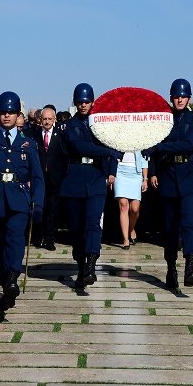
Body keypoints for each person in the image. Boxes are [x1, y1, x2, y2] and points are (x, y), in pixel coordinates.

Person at [0, 91, 45, 312]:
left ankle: (12, 276)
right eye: (3, 112)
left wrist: (38, 204)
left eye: (11, 113)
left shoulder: (28, 145)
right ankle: (6, 284)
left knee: (15, 239)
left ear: (18, 115)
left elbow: (38, 178)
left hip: (19, 198)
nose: (7, 116)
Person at [60, 83, 122, 290]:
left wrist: (111, 169)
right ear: (75, 103)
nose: (84, 105)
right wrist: (106, 152)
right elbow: (78, 146)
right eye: (80, 101)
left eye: (87, 101)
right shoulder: (69, 125)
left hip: (96, 179)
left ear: (93, 102)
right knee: (77, 229)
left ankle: (91, 265)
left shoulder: (101, 123)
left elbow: (113, 143)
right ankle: (80, 266)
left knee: (93, 224)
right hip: (75, 178)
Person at [145, 78, 193, 290]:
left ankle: (190, 265)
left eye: (183, 96)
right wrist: (152, 171)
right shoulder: (163, 119)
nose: (179, 99)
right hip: (167, 175)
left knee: (188, 222)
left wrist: (161, 147)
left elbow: (188, 145)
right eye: (176, 96)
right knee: (169, 228)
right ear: (171, 97)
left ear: (189, 97)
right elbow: (151, 145)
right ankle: (171, 267)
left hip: (188, 176)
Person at [29, 106, 68, 251]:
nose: (46, 122)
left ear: (55, 119)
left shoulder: (61, 135)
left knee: (52, 209)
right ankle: (37, 237)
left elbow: (65, 157)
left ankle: (50, 239)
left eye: (49, 119)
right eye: (44, 119)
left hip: (55, 177)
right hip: (39, 177)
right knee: (39, 208)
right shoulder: (33, 135)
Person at [114, 150, 148, 250]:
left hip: (136, 173)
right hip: (119, 171)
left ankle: (131, 229)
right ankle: (125, 240)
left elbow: (144, 157)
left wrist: (145, 179)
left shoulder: (140, 136)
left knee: (135, 209)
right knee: (123, 204)